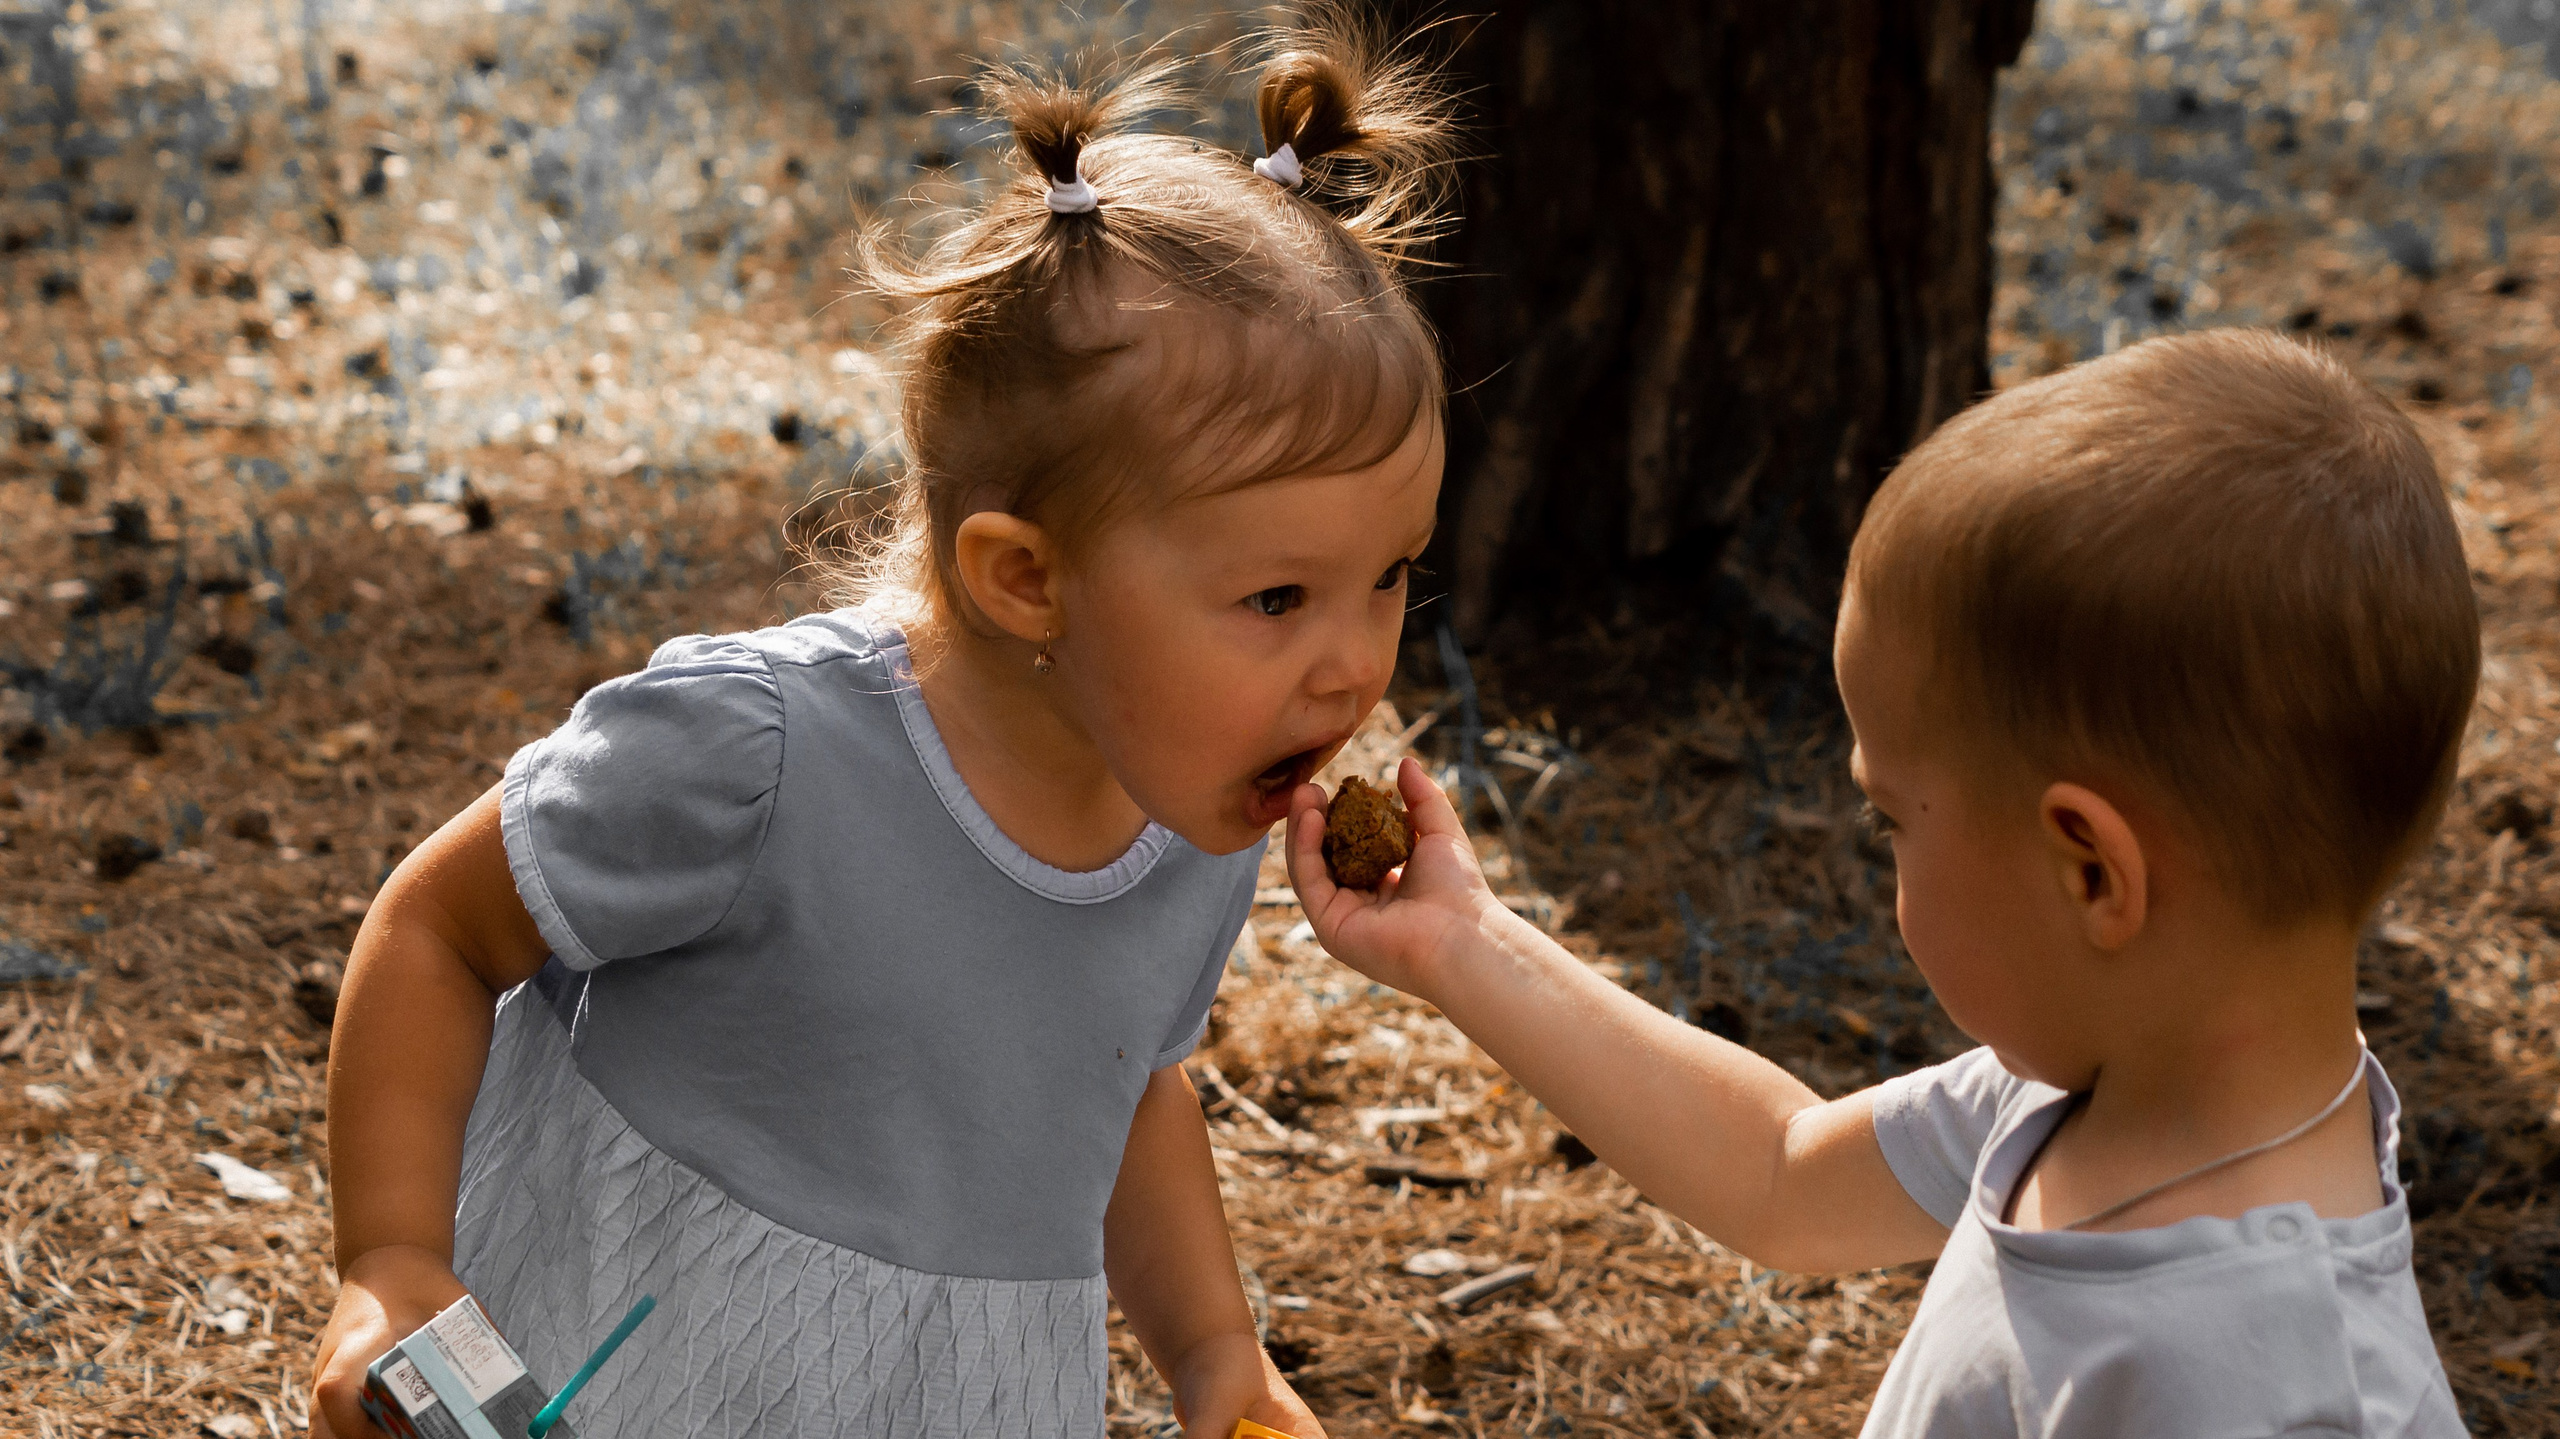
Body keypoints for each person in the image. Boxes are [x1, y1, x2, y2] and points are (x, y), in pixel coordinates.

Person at [309, 10, 1459, 1435]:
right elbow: (440, 928)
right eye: (1280, 596)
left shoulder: (1191, 812)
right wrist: (392, 1258)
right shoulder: (760, 756)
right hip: (642, 1361)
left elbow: (1117, 1083)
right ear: (1026, 576)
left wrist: (1215, 1347)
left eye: (1391, 574)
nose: (1354, 666)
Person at [1290, 329, 2472, 1436]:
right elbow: (1777, 1171)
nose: (1879, 850)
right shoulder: (2087, 1095)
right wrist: (1464, 939)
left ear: (2091, 872)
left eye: (1890, 816)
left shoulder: (2286, 1394)